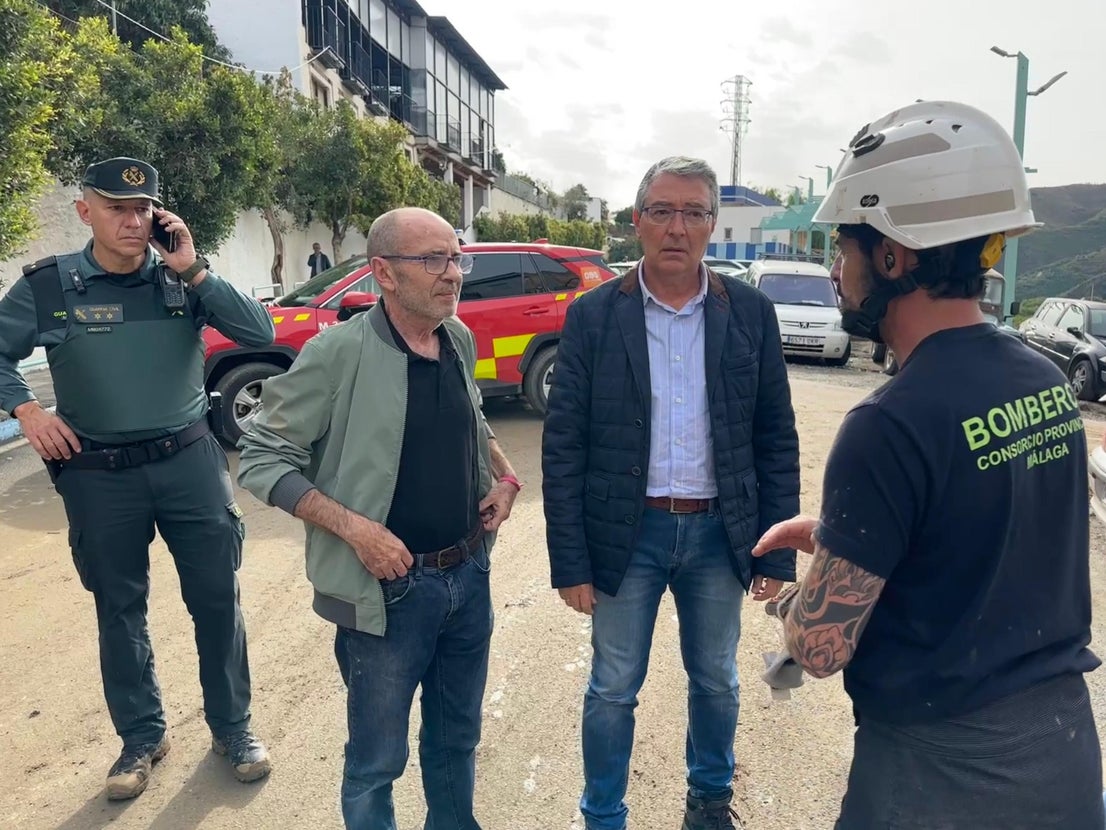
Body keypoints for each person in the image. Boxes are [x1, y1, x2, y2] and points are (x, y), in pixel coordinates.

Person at [753, 100, 1104, 829]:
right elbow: (995, 530)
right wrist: (853, 541)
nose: (835, 268)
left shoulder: (887, 423)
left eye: (843, 245)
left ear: (893, 255)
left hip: (941, 780)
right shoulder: (1040, 379)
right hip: (1064, 757)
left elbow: (820, 647)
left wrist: (801, 600)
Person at [0, 157, 276, 799]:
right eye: (117, 208)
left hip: (188, 464)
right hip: (100, 477)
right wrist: (27, 407)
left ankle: (232, 727)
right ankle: (143, 736)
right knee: (118, 609)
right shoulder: (48, 286)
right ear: (84, 212)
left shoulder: (182, 279)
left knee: (216, 600)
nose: (133, 220)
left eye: (143, 208)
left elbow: (257, 331)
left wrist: (193, 266)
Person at [236, 206, 520, 829]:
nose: (453, 275)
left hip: (467, 576)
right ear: (383, 273)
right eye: (433, 260)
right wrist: (356, 530)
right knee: (376, 762)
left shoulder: (457, 337)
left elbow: (469, 417)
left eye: (456, 257)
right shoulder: (336, 354)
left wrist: (503, 475)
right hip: (388, 594)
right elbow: (258, 458)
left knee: (456, 742)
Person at [542, 156, 801, 830]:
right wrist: (570, 562)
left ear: (712, 224)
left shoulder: (750, 313)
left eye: (693, 212)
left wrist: (774, 554)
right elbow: (564, 443)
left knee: (716, 679)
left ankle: (709, 803)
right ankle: (603, 814)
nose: (677, 227)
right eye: (662, 210)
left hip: (720, 535)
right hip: (629, 533)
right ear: (638, 223)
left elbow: (776, 436)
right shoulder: (596, 316)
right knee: (613, 687)